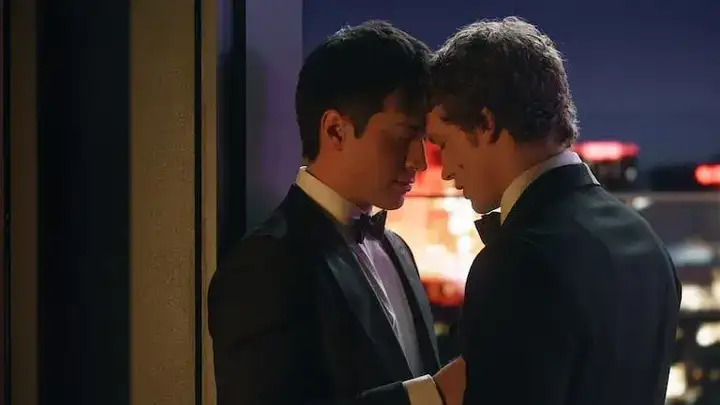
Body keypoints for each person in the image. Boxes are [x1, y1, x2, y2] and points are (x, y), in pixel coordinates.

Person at [425, 17, 681, 405]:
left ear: (485, 124)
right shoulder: (647, 242)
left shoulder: (517, 262)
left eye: (444, 143)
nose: (444, 169)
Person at [208, 20, 459, 405]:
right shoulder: (263, 265)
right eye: (403, 136)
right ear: (335, 130)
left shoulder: (398, 249)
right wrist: (432, 394)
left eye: (423, 138)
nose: (420, 161)